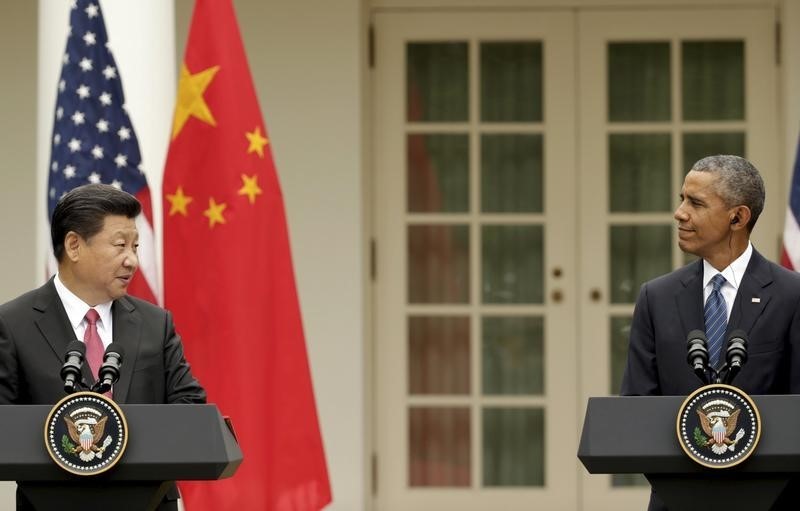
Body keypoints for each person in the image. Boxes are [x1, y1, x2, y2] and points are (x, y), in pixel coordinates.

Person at [0, 183, 206, 509]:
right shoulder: (13, 323)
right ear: (74, 246)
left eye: (136, 246)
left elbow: (190, 408)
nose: (132, 260)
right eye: (120, 245)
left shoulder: (156, 324)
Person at [620, 155, 800, 510]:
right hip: (677, 500)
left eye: (696, 203)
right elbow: (637, 408)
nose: (679, 212)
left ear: (738, 217)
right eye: (682, 199)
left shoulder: (791, 296)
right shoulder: (656, 297)